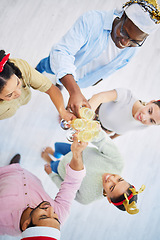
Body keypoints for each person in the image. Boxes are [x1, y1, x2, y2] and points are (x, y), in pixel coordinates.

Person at [36, 0, 160, 117]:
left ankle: (61, 82)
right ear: (121, 15)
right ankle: (37, 71)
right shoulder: (92, 20)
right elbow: (61, 52)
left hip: (82, 79)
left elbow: (114, 67)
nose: (125, 43)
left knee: (63, 79)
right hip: (60, 64)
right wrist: (74, 90)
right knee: (48, 66)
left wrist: (87, 84)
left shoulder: (134, 49)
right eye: (124, 32)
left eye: (134, 41)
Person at [0, 136, 87, 239]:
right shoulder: (61, 215)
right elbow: (72, 184)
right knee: (17, 170)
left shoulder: (2, 222)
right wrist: (77, 154)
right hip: (28, 177)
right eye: (55, 218)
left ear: (26, 224)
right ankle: (14, 166)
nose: (50, 209)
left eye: (43, 216)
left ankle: (10, 169)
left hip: (3, 177)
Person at [42, 130, 145, 214]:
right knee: (58, 146)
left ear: (109, 198)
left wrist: (52, 175)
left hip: (62, 169)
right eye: (120, 179)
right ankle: (55, 154)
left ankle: (50, 161)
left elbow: (65, 188)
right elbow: (103, 141)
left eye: (111, 187)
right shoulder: (117, 162)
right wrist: (87, 132)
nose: (111, 178)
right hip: (75, 149)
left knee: (53, 165)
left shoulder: (86, 198)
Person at [0, 50, 75, 121]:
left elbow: (50, 88)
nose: (19, 93)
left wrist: (62, 111)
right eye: (9, 95)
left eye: (18, 83)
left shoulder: (21, 68)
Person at [88, 88, 160, 138]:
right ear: (151, 102)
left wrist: (111, 137)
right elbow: (99, 97)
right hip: (90, 112)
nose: (144, 118)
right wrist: (86, 118)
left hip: (96, 130)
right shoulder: (127, 96)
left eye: (151, 120)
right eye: (149, 111)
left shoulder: (144, 125)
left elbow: (125, 129)